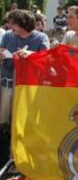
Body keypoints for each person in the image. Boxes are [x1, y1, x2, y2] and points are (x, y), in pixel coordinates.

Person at [0, 9, 50, 146]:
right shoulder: (8, 35)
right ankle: (6, 139)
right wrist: (2, 53)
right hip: (8, 80)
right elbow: (1, 49)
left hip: (29, 84)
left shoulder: (41, 38)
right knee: (3, 114)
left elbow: (46, 58)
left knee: (23, 114)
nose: (9, 26)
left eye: (12, 23)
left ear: (22, 24)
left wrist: (30, 54)